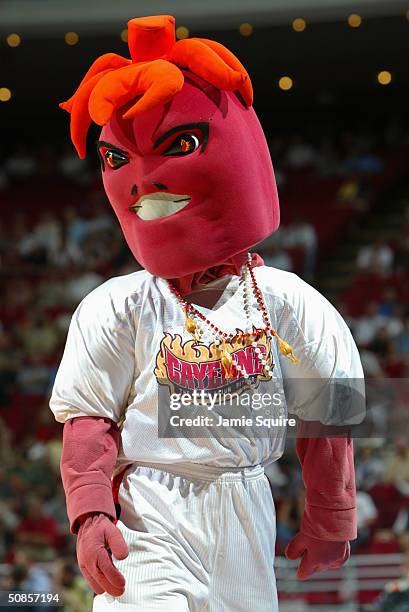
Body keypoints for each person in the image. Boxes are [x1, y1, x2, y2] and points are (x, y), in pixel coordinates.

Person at [50, 15, 364, 611]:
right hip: (150, 506)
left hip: (246, 502)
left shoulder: (288, 301)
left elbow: (330, 412)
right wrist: (91, 512)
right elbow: (88, 421)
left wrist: (331, 514)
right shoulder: (118, 306)